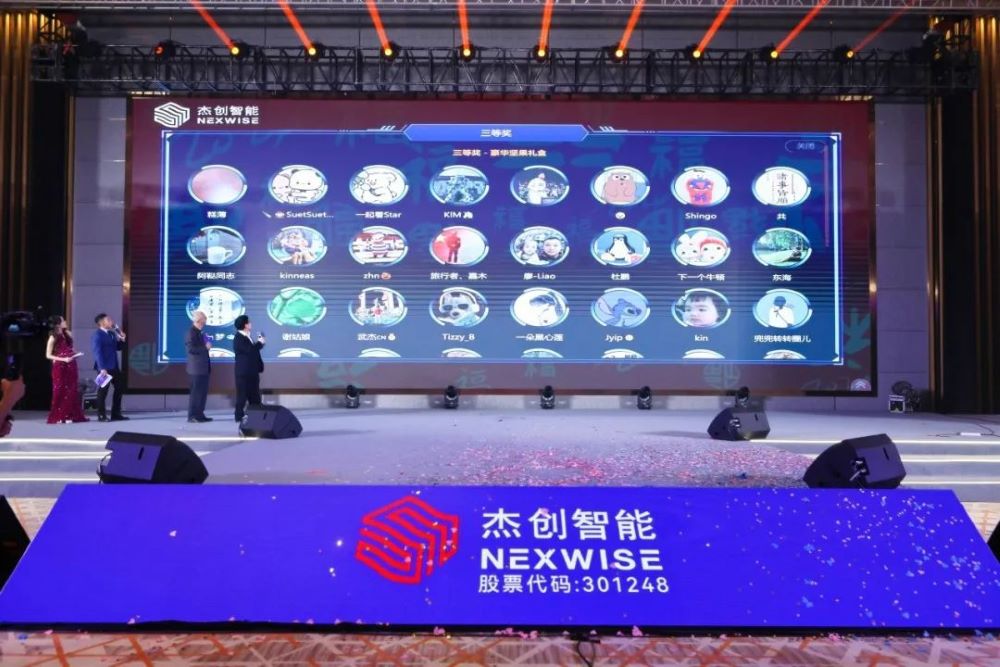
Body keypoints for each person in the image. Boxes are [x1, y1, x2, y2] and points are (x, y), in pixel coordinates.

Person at [45, 315, 88, 424]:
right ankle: (59, 416)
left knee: (72, 390)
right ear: (58, 324)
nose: (65, 322)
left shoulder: (68, 334)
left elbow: (70, 348)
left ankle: (70, 415)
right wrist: (63, 359)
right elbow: (48, 355)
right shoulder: (53, 337)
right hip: (60, 366)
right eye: (63, 320)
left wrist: (76, 354)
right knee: (60, 390)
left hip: (71, 365)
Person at [91, 313, 128, 421]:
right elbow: (97, 352)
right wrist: (102, 368)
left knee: (119, 388)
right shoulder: (97, 335)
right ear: (102, 322)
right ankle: (101, 415)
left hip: (114, 366)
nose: (111, 321)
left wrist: (122, 339)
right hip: (104, 368)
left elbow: (117, 347)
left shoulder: (111, 333)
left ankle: (116, 414)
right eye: (108, 320)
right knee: (103, 391)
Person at [233, 314, 264, 423]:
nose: (251, 324)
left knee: (254, 395)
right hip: (243, 372)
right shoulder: (238, 338)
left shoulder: (247, 336)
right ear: (245, 325)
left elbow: (252, 351)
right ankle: (239, 416)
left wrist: (259, 344)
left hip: (252, 371)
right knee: (242, 395)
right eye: (249, 322)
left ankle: (256, 414)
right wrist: (260, 343)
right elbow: (250, 350)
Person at [185, 311, 213, 423]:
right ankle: (192, 416)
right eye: (204, 320)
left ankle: (200, 414)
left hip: (203, 368)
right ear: (199, 320)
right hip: (196, 369)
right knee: (196, 394)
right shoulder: (191, 332)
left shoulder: (200, 332)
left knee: (202, 393)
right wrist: (205, 348)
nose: (205, 322)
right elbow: (191, 349)